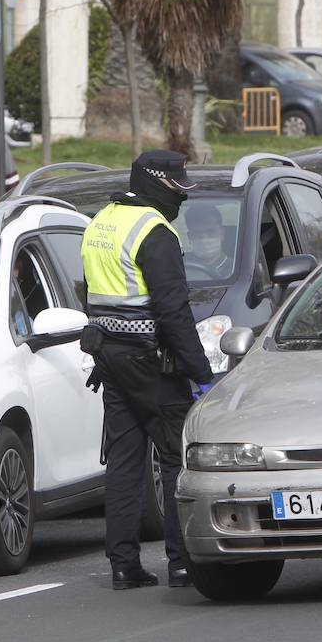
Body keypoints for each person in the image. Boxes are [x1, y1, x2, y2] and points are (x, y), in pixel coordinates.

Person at [81, 150, 214, 590]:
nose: (181, 200)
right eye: (178, 189)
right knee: (175, 460)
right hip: (152, 363)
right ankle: (181, 563)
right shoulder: (155, 233)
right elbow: (173, 313)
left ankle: (123, 565)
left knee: (123, 461)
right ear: (159, 184)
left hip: (110, 358)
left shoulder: (102, 221)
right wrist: (202, 372)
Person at [184, 204, 233, 278]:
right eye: (196, 233)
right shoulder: (182, 266)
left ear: (222, 233)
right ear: (189, 236)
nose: (204, 239)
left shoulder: (235, 271)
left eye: (210, 232)